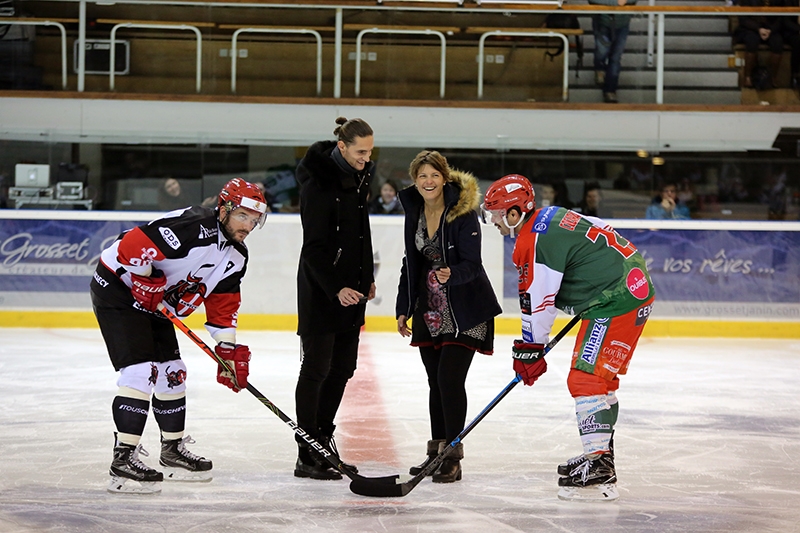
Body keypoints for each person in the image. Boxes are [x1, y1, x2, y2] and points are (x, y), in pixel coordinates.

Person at [481, 174, 655, 501]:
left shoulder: (532, 241)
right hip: (631, 287)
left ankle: (599, 462)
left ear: (515, 213)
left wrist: (531, 349)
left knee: (586, 379)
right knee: (601, 380)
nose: (493, 221)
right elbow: (600, 233)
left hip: (616, 299)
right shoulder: (552, 215)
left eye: (497, 214)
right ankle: (599, 456)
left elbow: (539, 301)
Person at [90, 178, 268, 494]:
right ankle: (123, 460)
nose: (248, 226)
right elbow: (131, 244)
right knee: (141, 371)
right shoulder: (194, 226)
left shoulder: (236, 255)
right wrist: (146, 278)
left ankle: (172, 451)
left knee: (173, 373)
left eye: (255, 220)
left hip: (155, 302)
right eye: (243, 216)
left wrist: (227, 349)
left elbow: (223, 305)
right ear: (224, 209)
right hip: (119, 289)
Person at [396, 150, 502, 484]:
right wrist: (403, 307)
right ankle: (436, 453)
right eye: (422, 176)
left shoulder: (462, 214)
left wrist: (451, 274)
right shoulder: (414, 212)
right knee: (435, 382)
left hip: (465, 308)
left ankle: (452, 457)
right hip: (430, 308)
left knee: (449, 380)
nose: (428, 181)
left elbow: (473, 264)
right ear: (415, 181)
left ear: (444, 178)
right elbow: (410, 264)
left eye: (434, 175)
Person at [294, 116, 377, 481]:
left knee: (343, 368)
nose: (366, 158)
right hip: (322, 291)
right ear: (342, 147)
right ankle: (307, 451)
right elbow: (313, 248)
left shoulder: (359, 177)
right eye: (361, 152)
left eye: (370, 152)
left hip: (351, 291)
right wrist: (335, 288)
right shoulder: (318, 184)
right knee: (316, 369)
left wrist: (366, 277)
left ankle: (323, 441)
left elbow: (361, 233)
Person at [589, 0, 637, 103]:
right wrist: (616, 2)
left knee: (615, 57)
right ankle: (599, 67)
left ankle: (610, 90)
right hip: (602, 20)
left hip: (623, 23)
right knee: (602, 50)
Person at [733, 0, 784, 89]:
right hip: (750, 29)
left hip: (770, 29)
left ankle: (773, 78)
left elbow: (781, 18)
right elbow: (743, 19)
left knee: (778, 42)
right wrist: (758, 29)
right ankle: (747, 77)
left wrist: (770, 30)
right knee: (752, 40)